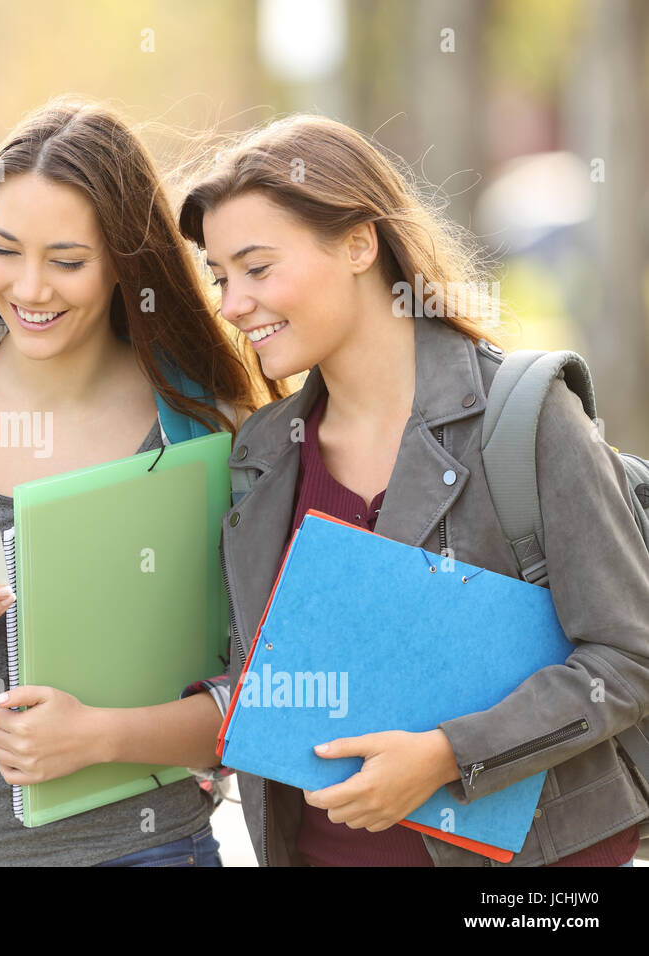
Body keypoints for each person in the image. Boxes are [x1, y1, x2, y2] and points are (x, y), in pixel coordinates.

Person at [0, 97, 285, 866]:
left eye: (67, 262)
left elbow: (258, 696)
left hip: (149, 851)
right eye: (6, 250)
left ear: (123, 267)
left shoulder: (205, 427)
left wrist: (100, 738)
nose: (30, 289)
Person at [178, 114, 649, 866]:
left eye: (257, 269)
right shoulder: (262, 453)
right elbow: (268, 672)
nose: (233, 304)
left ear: (360, 244)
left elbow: (628, 659)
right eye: (221, 277)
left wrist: (446, 755)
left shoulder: (525, 417)